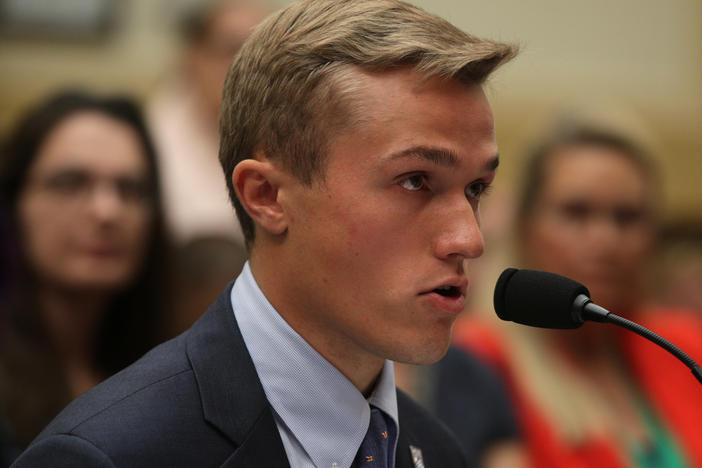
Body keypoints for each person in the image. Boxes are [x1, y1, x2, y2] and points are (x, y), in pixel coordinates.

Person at [11, 1, 517, 467]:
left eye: (476, 188)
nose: (468, 239)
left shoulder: (435, 450)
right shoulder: (109, 454)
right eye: (415, 181)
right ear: (267, 196)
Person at [454, 121, 702, 468]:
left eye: (626, 217)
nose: (605, 239)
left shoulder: (682, 344)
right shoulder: (477, 360)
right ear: (525, 226)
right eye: (576, 212)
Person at [0, 91, 171, 466]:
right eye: (71, 182)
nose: (107, 211)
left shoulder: (172, 363)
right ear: (14, 203)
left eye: (130, 189)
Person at [147, 0, 268, 246]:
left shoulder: (280, 131)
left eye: (259, 52)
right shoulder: (154, 134)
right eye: (232, 49)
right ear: (195, 55)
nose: (246, 67)